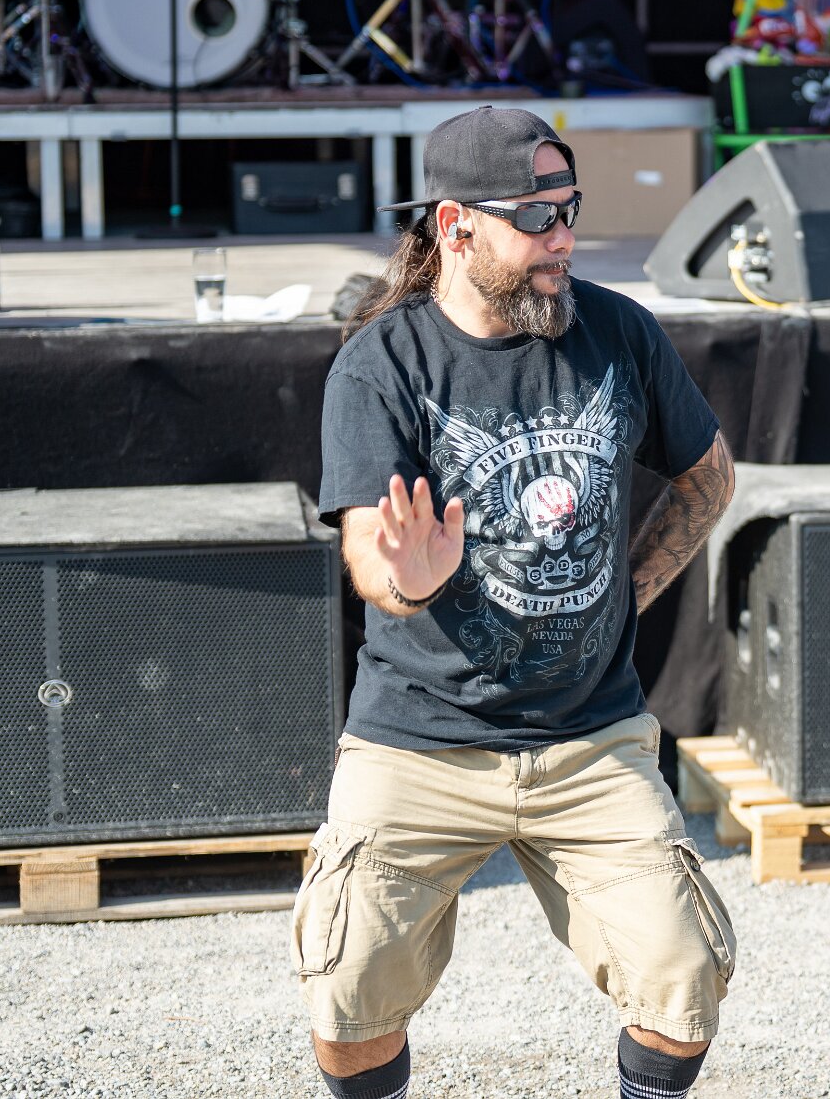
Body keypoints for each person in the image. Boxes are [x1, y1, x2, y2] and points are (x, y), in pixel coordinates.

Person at [295, 106, 738, 1099]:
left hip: (589, 736)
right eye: (536, 217)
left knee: (684, 976)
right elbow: (369, 552)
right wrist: (408, 579)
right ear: (456, 226)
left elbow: (707, 479)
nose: (564, 237)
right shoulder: (383, 363)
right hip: (419, 739)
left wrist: (625, 593)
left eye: (570, 209)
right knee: (347, 995)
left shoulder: (618, 331)